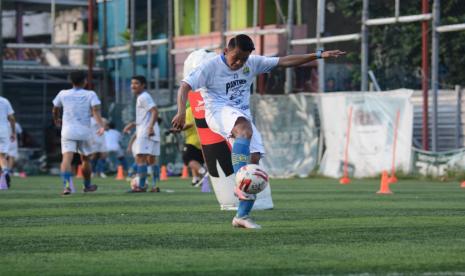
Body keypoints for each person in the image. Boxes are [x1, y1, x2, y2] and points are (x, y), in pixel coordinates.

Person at [172, 34, 345, 229]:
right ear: (226, 51)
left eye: (243, 59)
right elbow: (185, 86)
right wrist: (180, 112)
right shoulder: (210, 67)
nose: (239, 62)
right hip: (216, 112)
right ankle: (239, 184)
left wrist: (318, 55)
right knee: (244, 130)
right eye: (235, 57)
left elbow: (285, 61)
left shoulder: (252, 62)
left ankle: (242, 216)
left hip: (241, 114)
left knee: (254, 163)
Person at [52, 71, 106, 195]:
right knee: (85, 159)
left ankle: (66, 186)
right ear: (84, 81)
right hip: (84, 131)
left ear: (71, 81)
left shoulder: (63, 93)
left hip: (68, 130)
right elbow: (95, 111)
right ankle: (87, 185)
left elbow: (55, 108)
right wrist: (101, 126)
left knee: (66, 158)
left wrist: (56, 118)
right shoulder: (90, 94)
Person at [123, 75, 161, 193]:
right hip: (150, 129)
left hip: (146, 131)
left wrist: (149, 127)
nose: (133, 86)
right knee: (151, 159)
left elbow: (154, 111)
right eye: (132, 83)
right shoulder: (144, 97)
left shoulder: (143, 97)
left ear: (143, 85)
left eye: (136, 83)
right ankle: (154, 186)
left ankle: (141, 186)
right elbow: (146, 116)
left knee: (140, 157)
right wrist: (133, 124)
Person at [170, 102, 206, 186]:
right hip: (201, 139)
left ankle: (203, 171)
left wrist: (178, 129)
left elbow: (189, 124)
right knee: (196, 160)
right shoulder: (199, 111)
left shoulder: (189, 110)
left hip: (192, 139)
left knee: (187, 158)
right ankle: (196, 179)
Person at [0, 96, 16, 189]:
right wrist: (13, 132)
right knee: (2, 156)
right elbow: (12, 118)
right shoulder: (5, 101)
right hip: (4, 131)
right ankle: (5, 171)